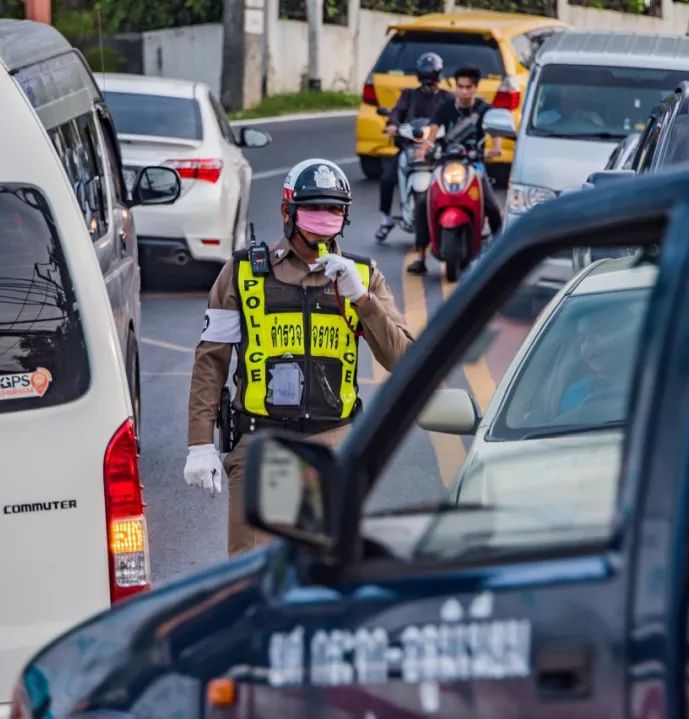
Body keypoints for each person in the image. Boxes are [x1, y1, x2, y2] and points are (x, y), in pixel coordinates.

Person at [183, 158, 414, 556]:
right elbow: (211, 360)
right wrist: (199, 443)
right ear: (287, 211)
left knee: (326, 572)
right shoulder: (242, 272)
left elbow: (403, 359)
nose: (324, 219)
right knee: (255, 574)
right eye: (313, 208)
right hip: (262, 444)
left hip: (333, 446)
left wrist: (362, 299)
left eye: (334, 209)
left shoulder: (363, 276)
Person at [408, 64, 504, 275]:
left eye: (468, 87)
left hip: (474, 166)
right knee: (423, 203)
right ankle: (421, 257)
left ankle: (501, 255)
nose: (464, 91)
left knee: (493, 208)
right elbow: (432, 133)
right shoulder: (445, 108)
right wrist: (424, 150)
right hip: (445, 164)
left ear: (475, 88)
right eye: (460, 86)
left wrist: (495, 149)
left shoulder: (484, 110)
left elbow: (496, 134)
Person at [375, 52, 454, 243]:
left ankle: (451, 216)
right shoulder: (408, 95)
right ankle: (386, 219)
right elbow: (397, 112)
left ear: (439, 77)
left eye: (432, 82)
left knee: (455, 179)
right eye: (426, 82)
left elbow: (455, 118)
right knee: (387, 177)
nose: (429, 86)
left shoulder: (447, 98)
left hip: (438, 150)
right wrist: (392, 125)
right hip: (410, 147)